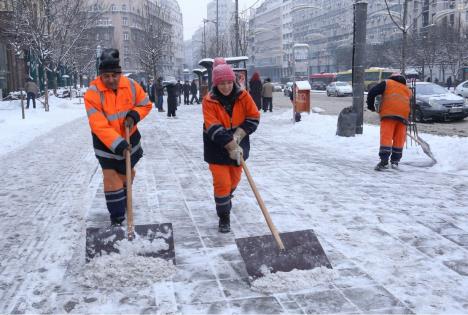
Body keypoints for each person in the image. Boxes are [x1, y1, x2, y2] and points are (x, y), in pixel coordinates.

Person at [84, 48, 152, 225]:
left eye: (114, 75)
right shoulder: (93, 93)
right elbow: (98, 124)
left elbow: (145, 104)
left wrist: (134, 115)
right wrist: (118, 144)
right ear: (100, 76)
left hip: (131, 142)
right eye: (106, 76)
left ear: (119, 73)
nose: (111, 79)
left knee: (125, 176)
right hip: (106, 146)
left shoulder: (130, 85)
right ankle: (117, 218)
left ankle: (123, 200)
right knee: (111, 179)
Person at [202, 57, 260, 233]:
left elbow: (254, 117)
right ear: (216, 84)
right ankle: (224, 217)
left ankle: (226, 198)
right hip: (216, 146)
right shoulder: (209, 100)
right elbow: (212, 125)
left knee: (234, 179)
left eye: (228, 82)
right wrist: (229, 144)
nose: (226, 86)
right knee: (222, 182)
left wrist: (239, 135)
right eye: (222, 83)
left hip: (240, 145)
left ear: (233, 81)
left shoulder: (243, 96)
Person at [367, 72, 412, 171]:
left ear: (392, 78)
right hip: (403, 117)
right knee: (399, 140)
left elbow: (372, 92)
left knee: (386, 138)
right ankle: (395, 162)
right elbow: (409, 104)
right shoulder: (407, 90)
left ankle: (384, 161)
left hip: (389, 115)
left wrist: (371, 106)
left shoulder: (387, 83)